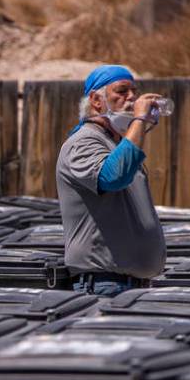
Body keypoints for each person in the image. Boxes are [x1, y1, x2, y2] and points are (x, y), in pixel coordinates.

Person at [56, 65, 167, 297]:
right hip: (104, 284)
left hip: (130, 285)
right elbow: (113, 177)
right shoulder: (83, 142)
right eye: (122, 91)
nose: (132, 97)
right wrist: (139, 118)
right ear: (97, 101)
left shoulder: (116, 144)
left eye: (133, 91)